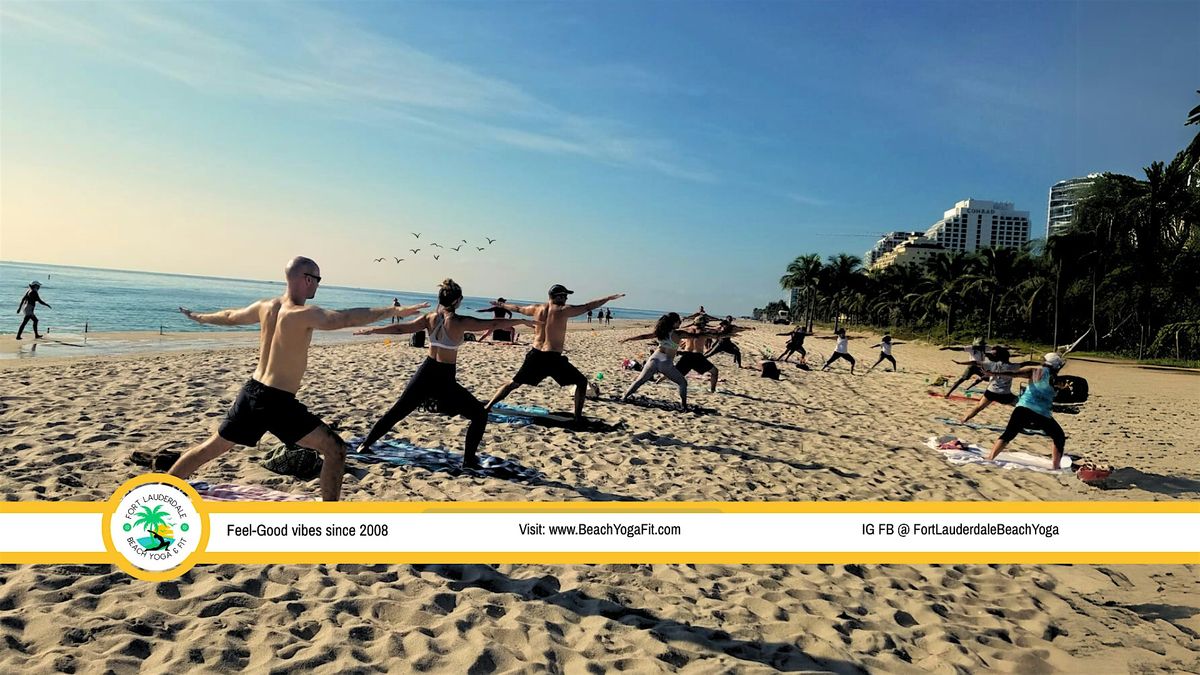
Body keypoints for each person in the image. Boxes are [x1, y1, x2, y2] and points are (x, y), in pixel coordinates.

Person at [167, 257, 428, 501]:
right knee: (335, 449)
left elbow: (229, 317)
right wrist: (394, 311)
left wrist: (198, 317)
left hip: (252, 391)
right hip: (276, 401)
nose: (318, 284)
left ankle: (164, 489)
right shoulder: (302, 313)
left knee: (212, 447)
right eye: (317, 278)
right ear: (306, 279)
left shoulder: (265, 307)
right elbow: (345, 317)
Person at [354, 279, 536, 468]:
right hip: (444, 378)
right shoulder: (460, 321)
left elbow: (401, 328)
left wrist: (373, 330)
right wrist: (521, 320)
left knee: (398, 410)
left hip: (426, 371)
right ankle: (468, 460)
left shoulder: (430, 318)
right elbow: (494, 323)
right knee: (479, 415)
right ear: (458, 301)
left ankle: (364, 444)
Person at [485, 285, 624, 423]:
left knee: (514, 383)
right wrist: (608, 298)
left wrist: (502, 305)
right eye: (564, 296)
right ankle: (577, 417)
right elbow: (588, 306)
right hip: (552, 358)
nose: (566, 298)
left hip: (535, 354)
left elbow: (517, 309)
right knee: (581, 382)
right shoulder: (563, 310)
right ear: (556, 296)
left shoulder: (536, 308)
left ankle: (488, 406)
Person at [987, 353, 1069, 470]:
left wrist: (994, 373)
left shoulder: (1039, 372)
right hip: (1041, 414)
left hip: (1023, 409)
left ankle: (990, 457)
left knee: (1009, 433)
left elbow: (1015, 374)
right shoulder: (1055, 379)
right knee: (1059, 436)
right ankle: (1056, 466)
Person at [619, 313, 693, 409]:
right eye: (679, 321)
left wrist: (628, 339)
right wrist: (714, 334)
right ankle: (684, 406)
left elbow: (644, 336)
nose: (680, 322)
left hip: (654, 358)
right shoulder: (678, 334)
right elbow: (696, 335)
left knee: (639, 381)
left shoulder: (661, 331)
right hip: (666, 361)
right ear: (674, 323)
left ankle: (624, 397)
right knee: (682, 383)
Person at [961, 346, 1026, 423]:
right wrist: (1038, 363)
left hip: (991, 392)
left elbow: (975, 362)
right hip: (1004, 394)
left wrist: (960, 363)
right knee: (1022, 406)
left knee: (978, 407)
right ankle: (1021, 425)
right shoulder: (1013, 366)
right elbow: (1025, 363)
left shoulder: (992, 364)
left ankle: (964, 419)